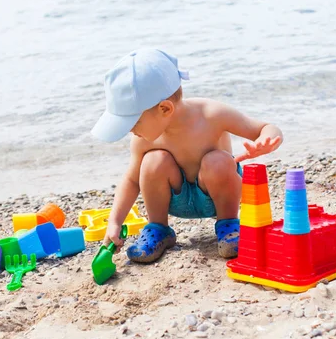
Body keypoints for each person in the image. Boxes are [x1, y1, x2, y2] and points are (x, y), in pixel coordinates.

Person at [91, 48, 283, 263]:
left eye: (133, 122)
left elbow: (266, 127)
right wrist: (114, 222)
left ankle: (229, 225)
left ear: (165, 109)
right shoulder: (143, 139)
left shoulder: (212, 115)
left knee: (217, 160)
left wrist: (266, 142)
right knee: (153, 161)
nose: (130, 130)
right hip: (174, 198)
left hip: (216, 194)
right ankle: (159, 229)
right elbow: (132, 180)